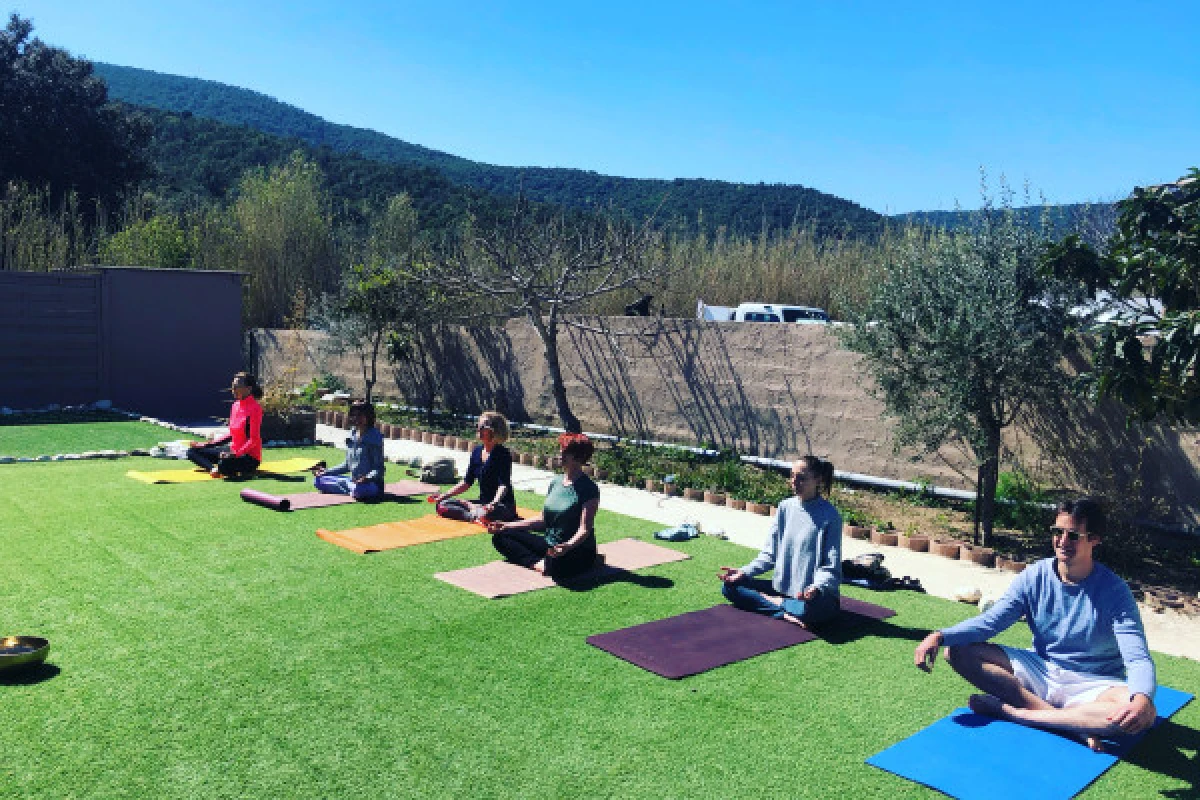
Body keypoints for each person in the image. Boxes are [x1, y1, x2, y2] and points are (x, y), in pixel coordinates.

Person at [913, 497, 1157, 752]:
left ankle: (1013, 712)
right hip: (1041, 671)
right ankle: (1071, 725)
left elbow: (1137, 658)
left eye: (1073, 535)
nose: (1062, 542)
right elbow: (991, 621)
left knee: (1142, 716)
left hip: (1094, 684)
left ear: (1094, 539)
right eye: (1057, 532)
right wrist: (940, 636)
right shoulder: (1035, 576)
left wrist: (1142, 698)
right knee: (957, 651)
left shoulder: (1115, 591)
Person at [718, 455, 842, 627]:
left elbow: (831, 567)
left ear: (818, 480)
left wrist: (816, 588)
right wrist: (744, 572)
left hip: (813, 599)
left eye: (801, 478)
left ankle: (772, 603)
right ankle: (781, 610)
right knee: (729, 587)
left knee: (816, 610)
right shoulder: (785, 507)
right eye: (792, 476)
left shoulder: (830, 516)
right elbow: (770, 554)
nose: (794, 482)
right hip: (783, 592)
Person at [487, 432, 600, 580]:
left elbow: (584, 529)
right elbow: (543, 520)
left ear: (578, 457)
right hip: (551, 545)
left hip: (577, 551)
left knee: (558, 564)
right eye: (561, 449)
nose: (560, 453)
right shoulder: (556, 482)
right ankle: (538, 563)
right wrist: (507, 526)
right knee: (500, 537)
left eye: (565, 451)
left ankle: (546, 563)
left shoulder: (589, 488)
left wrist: (568, 545)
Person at [429, 411, 516, 522]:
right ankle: (473, 515)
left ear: (495, 430)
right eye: (478, 426)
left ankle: (476, 513)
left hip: (501, 505)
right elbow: (467, 482)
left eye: (483, 426)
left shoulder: (503, 454)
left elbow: (503, 484)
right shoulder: (477, 451)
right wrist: (444, 495)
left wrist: (494, 503)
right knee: (442, 504)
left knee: (488, 512)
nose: (478, 429)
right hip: (482, 503)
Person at [186, 372, 264, 478]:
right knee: (192, 452)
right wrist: (206, 445)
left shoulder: (255, 409)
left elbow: (253, 440)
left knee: (224, 464)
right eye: (232, 386)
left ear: (248, 389)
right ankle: (214, 469)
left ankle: (220, 468)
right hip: (232, 452)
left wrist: (235, 454)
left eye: (237, 387)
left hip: (249, 457)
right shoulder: (235, 406)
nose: (233, 390)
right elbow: (231, 435)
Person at [312, 401, 385, 501]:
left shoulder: (374, 437)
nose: (356, 418)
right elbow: (347, 465)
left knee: (359, 490)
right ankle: (350, 489)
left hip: (371, 484)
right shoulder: (352, 434)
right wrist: (326, 472)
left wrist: (367, 478)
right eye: (354, 415)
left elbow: (379, 469)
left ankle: (352, 490)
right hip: (353, 482)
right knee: (318, 480)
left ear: (368, 416)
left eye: (360, 415)